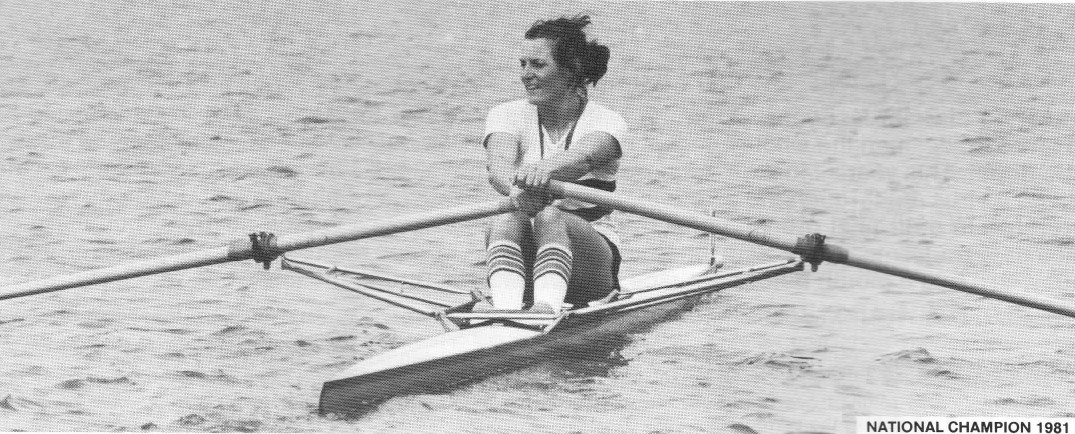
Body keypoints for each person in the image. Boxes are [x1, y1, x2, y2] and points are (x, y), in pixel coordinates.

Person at [480, 15, 625, 314]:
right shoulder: (504, 114)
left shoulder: (608, 123)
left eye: (538, 64)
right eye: (523, 64)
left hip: (591, 265)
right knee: (506, 216)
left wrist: (541, 174)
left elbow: (581, 158)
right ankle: (506, 312)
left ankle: (544, 309)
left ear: (571, 70)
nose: (525, 74)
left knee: (548, 217)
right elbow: (499, 168)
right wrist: (517, 190)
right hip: (527, 249)